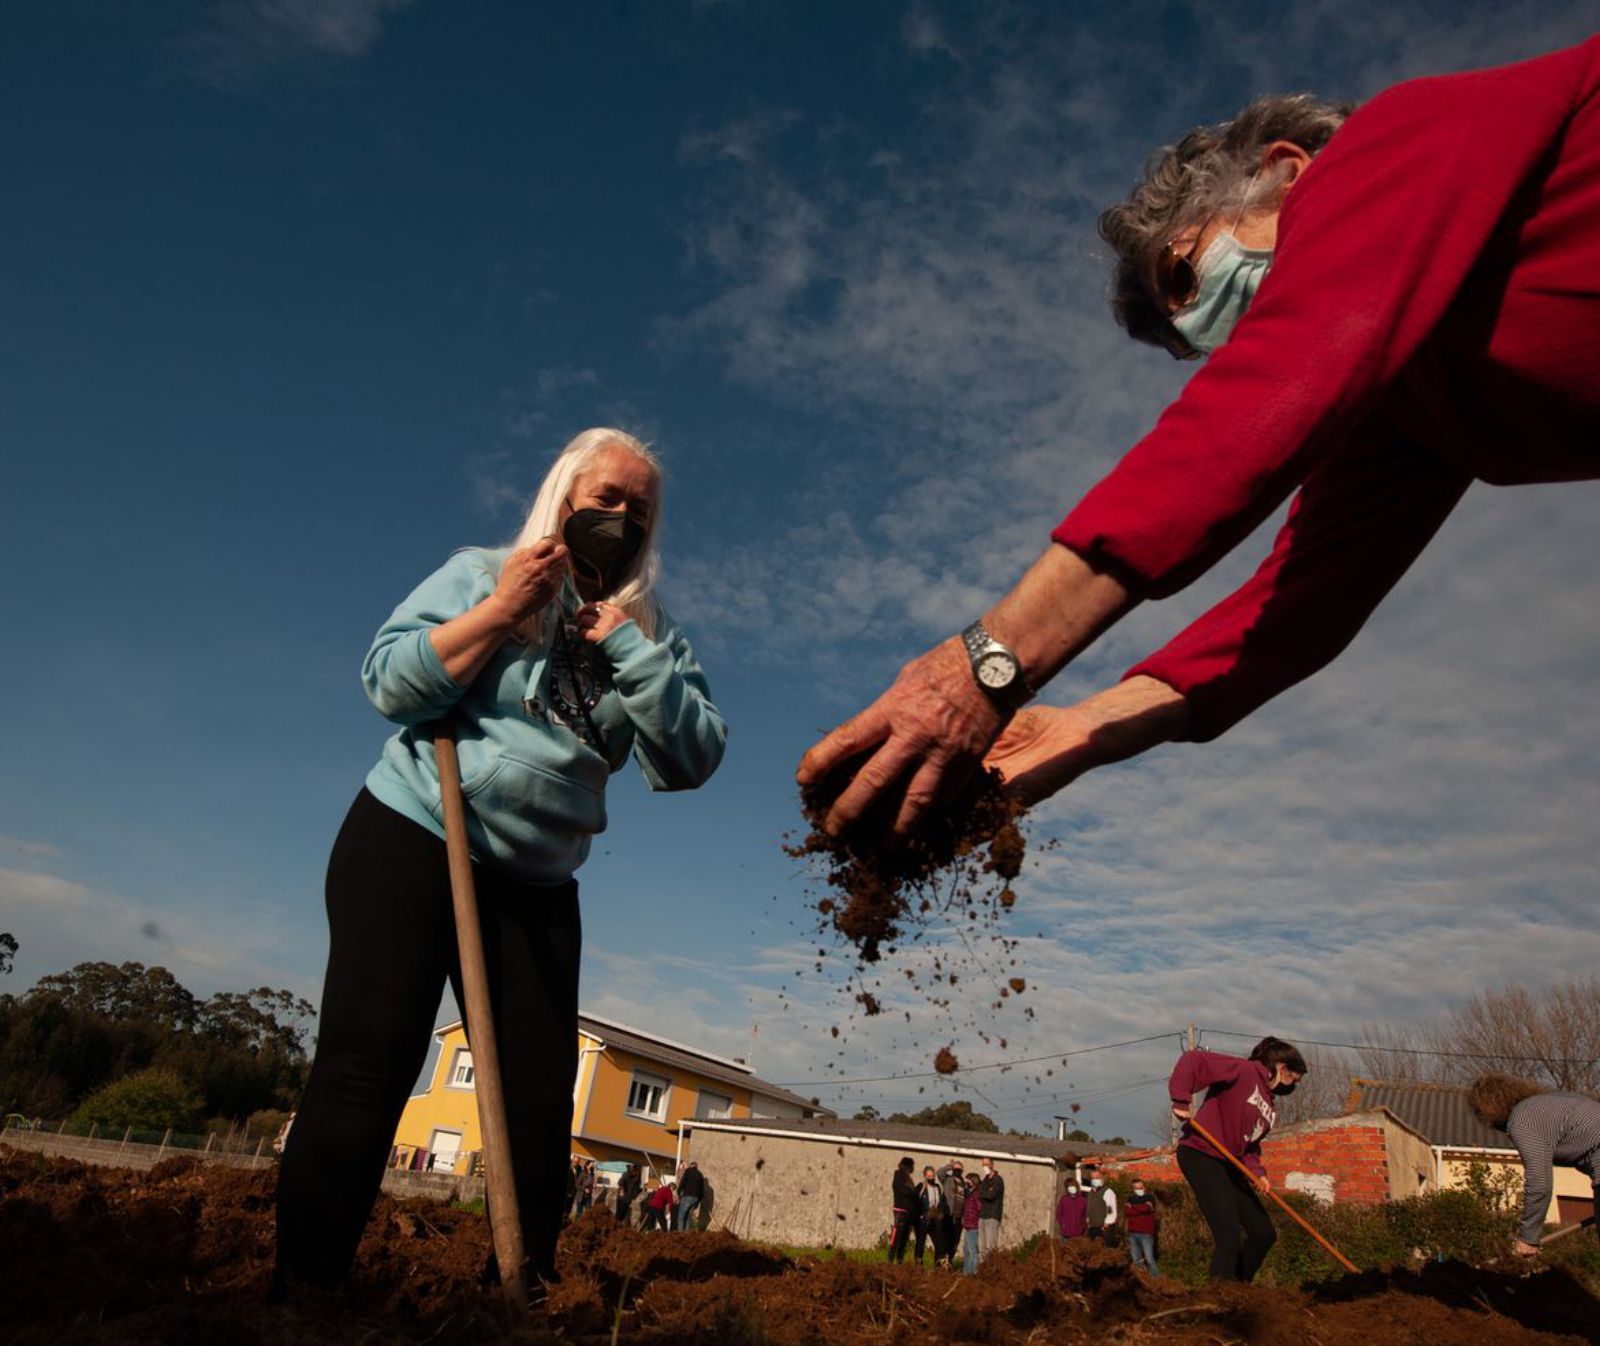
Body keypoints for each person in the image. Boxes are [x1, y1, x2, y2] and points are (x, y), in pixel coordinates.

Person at [797, 39, 1600, 837]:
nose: (1201, 328)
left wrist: (982, 666)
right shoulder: (1410, 404)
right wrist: (1091, 725)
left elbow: (1264, 397)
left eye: (1182, 277)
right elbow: (1298, 603)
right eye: (1190, 343)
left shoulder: (1396, 138)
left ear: (1284, 168)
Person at [272, 429, 728, 1300]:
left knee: (534, 1097)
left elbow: (691, 759)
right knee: (368, 1065)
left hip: (538, 882)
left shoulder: (655, 633)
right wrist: (499, 610)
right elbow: (389, 683)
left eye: (640, 508)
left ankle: (521, 1286)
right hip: (415, 838)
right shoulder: (486, 572)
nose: (622, 516)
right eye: (606, 497)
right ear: (565, 496)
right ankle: (305, 1287)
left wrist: (629, 648)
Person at [1170, 1036, 1305, 1282]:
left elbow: (1250, 1145)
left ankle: (1237, 1289)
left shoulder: (1269, 1108)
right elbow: (1194, 1060)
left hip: (1230, 1164)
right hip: (1201, 1153)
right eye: (1292, 1080)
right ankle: (1219, 1299)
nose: (1291, 1087)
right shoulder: (1243, 1070)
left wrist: (1258, 1172)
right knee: (1228, 1234)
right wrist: (1181, 1098)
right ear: (1282, 1067)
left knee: (1264, 1233)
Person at [1466, 1074, 1600, 1258]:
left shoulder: (1522, 1120)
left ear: (1488, 1110)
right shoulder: (1554, 1103)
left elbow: (1539, 1183)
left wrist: (1528, 1237)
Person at [915, 1164, 950, 1267]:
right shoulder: (921, 1187)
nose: (931, 1178)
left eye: (933, 1176)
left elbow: (942, 1202)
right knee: (920, 1242)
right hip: (924, 1219)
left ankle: (938, 1264)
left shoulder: (937, 1188)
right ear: (925, 1176)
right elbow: (915, 1201)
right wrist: (920, 1214)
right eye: (929, 1176)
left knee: (939, 1242)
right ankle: (918, 1264)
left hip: (935, 1219)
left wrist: (941, 1213)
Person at [888, 1156, 920, 1264]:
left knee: (904, 1238)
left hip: (908, 1213)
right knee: (896, 1237)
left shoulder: (907, 1178)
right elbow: (904, 1191)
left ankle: (900, 1259)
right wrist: (915, 1192)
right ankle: (890, 1259)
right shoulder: (899, 1176)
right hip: (900, 1211)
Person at [1125, 1180, 1160, 1275]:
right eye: (1136, 1188)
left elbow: (1147, 1208)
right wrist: (1141, 1208)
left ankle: (1157, 1279)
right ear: (1133, 1189)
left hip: (1146, 1233)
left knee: (1149, 1259)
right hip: (1133, 1232)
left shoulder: (1150, 1197)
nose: (1138, 1189)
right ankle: (1142, 1279)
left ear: (1144, 1188)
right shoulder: (1129, 1198)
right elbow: (1127, 1212)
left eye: (1140, 1188)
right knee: (1136, 1259)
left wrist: (1133, 1207)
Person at [977, 1158, 1004, 1260]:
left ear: (992, 1165)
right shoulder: (985, 1179)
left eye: (987, 1164)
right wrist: (986, 1192)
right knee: (981, 1247)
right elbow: (980, 1193)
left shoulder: (998, 1180)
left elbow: (991, 1195)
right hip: (982, 1215)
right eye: (983, 1164)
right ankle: (983, 1267)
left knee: (990, 1246)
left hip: (992, 1215)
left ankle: (992, 1267)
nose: (985, 1167)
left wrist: (986, 1193)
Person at [960, 1173, 983, 1276]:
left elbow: (980, 1208)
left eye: (968, 1180)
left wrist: (974, 1220)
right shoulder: (970, 1193)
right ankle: (966, 1273)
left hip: (973, 1226)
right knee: (966, 1249)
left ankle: (974, 1272)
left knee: (972, 1250)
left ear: (973, 1181)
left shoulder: (976, 1194)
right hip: (968, 1225)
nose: (966, 1182)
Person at [1085, 1172, 1115, 1243]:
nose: (1094, 1180)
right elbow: (1090, 1207)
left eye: (1097, 1178)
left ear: (1102, 1179)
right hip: (1092, 1226)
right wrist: (1088, 1219)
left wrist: (1107, 1223)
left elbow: (1111, 1209)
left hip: (1103, 1227)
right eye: (1093, 1178)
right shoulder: (1091, 1192)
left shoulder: (1108, 1192)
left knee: (1102, 1250)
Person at [677, 1160, 705, 1231]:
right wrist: (698, 1201)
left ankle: (680, 1234)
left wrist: (678, 1192)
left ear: (691, 1165)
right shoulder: (700, 1174)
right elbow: (702, 1189)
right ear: (697, 1167)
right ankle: (687, 1235)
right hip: (696, 1198)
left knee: (681, 1216)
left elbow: (683, 1182)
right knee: (688, 1218)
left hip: (687, 1196)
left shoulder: (688, 1172)